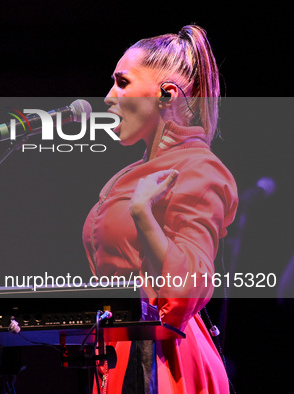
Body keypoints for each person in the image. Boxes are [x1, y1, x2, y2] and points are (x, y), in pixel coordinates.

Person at [82, 25, 238, 393]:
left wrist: (141, 213)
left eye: (122, 83)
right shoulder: (130, 175)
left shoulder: (200, 169)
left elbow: (188, 290)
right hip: (120, 355)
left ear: (166, 94)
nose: (108, 97)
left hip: (166, 362)